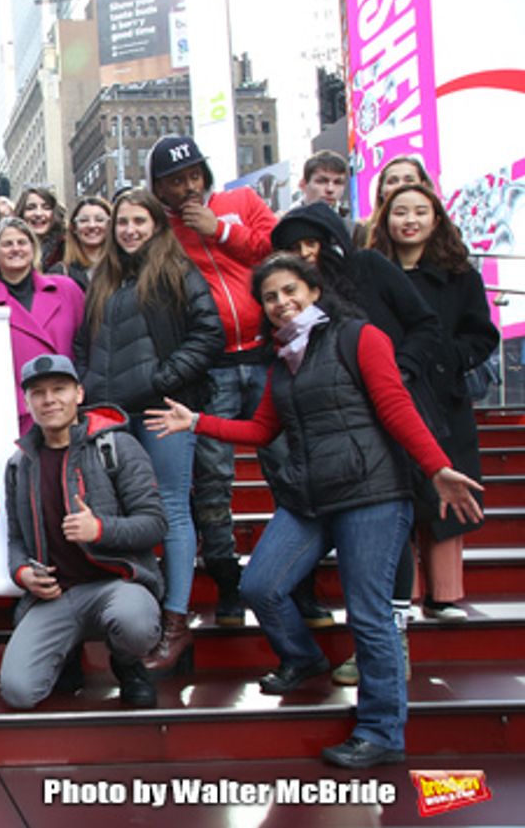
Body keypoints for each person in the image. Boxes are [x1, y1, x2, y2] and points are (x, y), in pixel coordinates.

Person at [146, 253, 484, 768]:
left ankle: (382, 731)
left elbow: (396, 406)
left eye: (290, 291)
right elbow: (262, 431)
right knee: (260, 584)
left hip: (372, 493)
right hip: (311, 496)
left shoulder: (359, 337)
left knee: (370, 616)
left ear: (313, 290)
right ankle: (304, 658)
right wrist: (198, 422)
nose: (281, 303)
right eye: (270, 297)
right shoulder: (281, 358)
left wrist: (436, 468)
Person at [272, 198, 441, 659]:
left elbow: (425, 323)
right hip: (336, 422)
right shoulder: (291, 296)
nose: (305, 252)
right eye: (293, 246)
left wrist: (399, 369)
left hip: (390, 403)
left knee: (391, 516)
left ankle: (394, 634)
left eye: (312, 242)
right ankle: (373, 638)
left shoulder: (367, 267)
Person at [72, 190, 224, 674]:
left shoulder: (177, 271)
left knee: (173, 509)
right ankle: (144, 613)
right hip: (112, 415)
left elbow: (209, 333)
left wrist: (165, 378)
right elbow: (82, 342)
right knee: (126, 513)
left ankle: (176, 620)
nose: (130, 229)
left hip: (163, 411)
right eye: (123, 222)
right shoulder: (104, 279)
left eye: (140, 221)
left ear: (157, 226)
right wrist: (86, 387)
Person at [146, 133, 277, 626]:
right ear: (159, 188)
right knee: (214, 479)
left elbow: (279, 249)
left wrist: (221, 230)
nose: (187, 187)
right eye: (175, 181)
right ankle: (226, 581)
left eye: (193, 175)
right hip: (213, 367)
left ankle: (297, 579)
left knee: (286, 468)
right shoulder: (163, 230)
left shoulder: (240, 202)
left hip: (267, 356)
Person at [0, 355, 165, 710]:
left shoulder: (117, 446)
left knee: (135, 624)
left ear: (79, 393)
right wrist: (22, 573)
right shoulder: (19, 464)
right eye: (38, 393)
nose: (49, 400)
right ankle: (66, 651)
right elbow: (14, 539)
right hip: (56, 595)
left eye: (59, 389)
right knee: (18, 692)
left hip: (116, 584)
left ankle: (128, 663)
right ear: (27, 402)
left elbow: (154, 524)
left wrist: (100, 529)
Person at [371, 184, 498, 622]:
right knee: (399, 493)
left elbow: (481, 334)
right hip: (391, 394)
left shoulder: (461, 274)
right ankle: (404, 595)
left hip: (445, 398)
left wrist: (451, 358)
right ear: (384, 218)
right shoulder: (371, 272)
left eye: (420, 212)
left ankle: (444, 594)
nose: (409, 220)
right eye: (399, 211)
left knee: (448, 494)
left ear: (436, 218)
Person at [0, 218, 86, 435]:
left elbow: (87, 345)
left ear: (33, 248)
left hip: (68, 410)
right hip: (14, 418)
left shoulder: (67, 289)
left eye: (22, 242)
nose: (15, 249)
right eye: (7, 244)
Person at [14, 186, 67, 273]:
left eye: (46, 208)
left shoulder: (66, 247)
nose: (38, 214)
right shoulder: (11, 249)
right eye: (31, 208)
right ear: (21, 213)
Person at [62, 197, 112, 289]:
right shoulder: (61, 273)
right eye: (84, 220)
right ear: (74, 228)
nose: (92, 225)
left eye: (100, 220)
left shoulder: (125, 268)